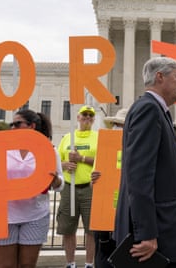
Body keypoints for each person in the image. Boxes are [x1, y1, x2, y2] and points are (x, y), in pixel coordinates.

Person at [114, 57, 176, 267]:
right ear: (160, 77)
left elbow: (155, 168)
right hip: (157, 240)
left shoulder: (156, 111)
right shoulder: (148, 110)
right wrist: (146, 233)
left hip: (164, 236)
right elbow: (139, 176)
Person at [0, 109, 64, 268]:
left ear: (31, 126)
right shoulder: (2, 149)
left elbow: (61, 185)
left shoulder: (50, 150)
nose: (12, 128)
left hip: (35, 216)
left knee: (27, 265)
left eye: (17, 124)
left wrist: (54, 180)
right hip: (4, 216)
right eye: (11, 124)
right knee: (5, 265)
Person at [57, 105, 98, 268]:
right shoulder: (68, 138)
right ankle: (70, 263)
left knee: (91, 229)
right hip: (69, 187)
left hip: (90, 187)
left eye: (90, 115)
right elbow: (57, 163)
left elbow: (103, 161)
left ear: (94, 120)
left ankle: (89, 263)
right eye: (84, 115)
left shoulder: (98, 138)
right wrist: (65, 164)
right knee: (68, 229)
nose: (87, 117)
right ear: (78, 118)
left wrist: (81, 159)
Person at [93, 107, 128, 268]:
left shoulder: (136, 150)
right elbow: (96, 174)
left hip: (126, 213)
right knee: (103, 258)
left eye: (121, 125)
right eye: (115, 124)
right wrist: (94, 178)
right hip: (106, 214)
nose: (117, 129)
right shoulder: (105, 149)